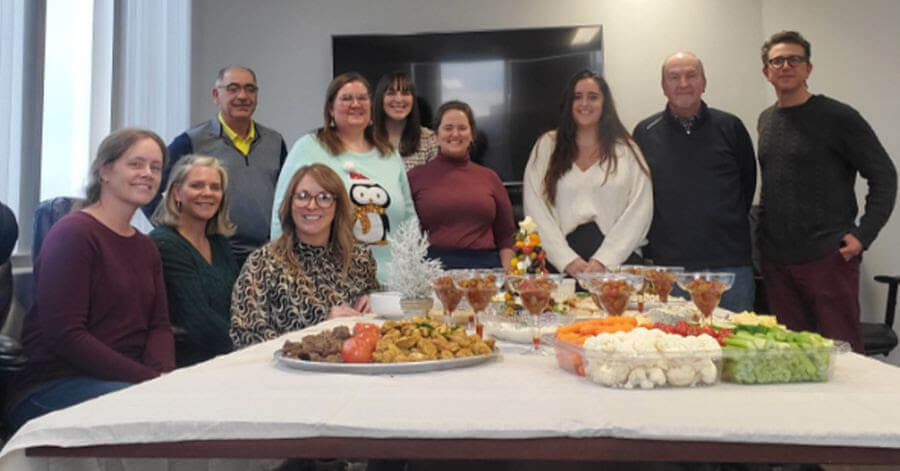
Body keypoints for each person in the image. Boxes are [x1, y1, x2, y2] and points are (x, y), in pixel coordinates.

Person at [5, 129, 175, 431]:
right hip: (54, 384)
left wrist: (163, 376)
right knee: (157, 415)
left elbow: (159, 325)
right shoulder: (74, 234)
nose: (147, 174)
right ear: (105, 171)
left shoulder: (146, 246)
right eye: (136, 164)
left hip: (126, 380)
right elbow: (65, 335)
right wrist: (148, 381)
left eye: (156, 167)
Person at [757, 31, 897, 352]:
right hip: (777, 262)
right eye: (777, 61)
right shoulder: (766, 120)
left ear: (808, 69)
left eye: (795, 59)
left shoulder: (838, 116)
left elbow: (884, 176)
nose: (786, 66)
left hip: (828, 259)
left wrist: (864, 234)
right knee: (794, 357)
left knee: (843, 357)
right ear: (767, 72)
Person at [633, 52, 757, 312]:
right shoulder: (644, 133)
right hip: (670, 269)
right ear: (663, 86)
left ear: (704, 82)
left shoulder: (730, 126)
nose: (683, 83)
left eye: (691, 75)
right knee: (670, 348)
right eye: (674, 77)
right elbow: (640, 195)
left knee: (732, 346)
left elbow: (747, 185)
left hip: (729, 265)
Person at [271, 72, 417, 285]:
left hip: (391, 282)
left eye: (363, 98)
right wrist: (281, 267)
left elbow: (409, 217)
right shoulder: (309, 147)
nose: (356, 104)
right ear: (331, 108)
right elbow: (282, 211)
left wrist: (415, 269)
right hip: (328, 281)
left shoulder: (389, 153)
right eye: (347, 98)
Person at [144, 65, 288, 267]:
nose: (242, 96)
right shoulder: (192, 141)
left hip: (268, 255)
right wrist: (173, 232)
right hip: (215, 255)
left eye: (250, 89)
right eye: (232, 88)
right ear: (215, 95)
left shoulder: (274, 142)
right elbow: (150, 184)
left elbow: (286, 196)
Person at [233, 164, 379, 348]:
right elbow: (246, 337)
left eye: (324, 198)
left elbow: (375, 316)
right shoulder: (263, 263)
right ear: (290, 203)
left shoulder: (360, 258)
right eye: (303, 196)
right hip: (289, 372)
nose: (312, 205)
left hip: (356, 366)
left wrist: (376, 302)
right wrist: (321, 327)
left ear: (338, 206)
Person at [523, 70, 652, 275]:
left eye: (593, 97)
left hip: (618, 266)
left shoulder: (627, 150)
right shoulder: (547, 146)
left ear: (605, 104)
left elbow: (640, 211)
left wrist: (604, 261)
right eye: (578, 97)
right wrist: (567, 261)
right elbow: (535, 210)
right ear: (569, 104)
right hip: (559, 268)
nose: (585, 104)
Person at [150, 155, 240, 367]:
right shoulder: (165, 244)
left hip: (227, 355)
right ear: (176, 193)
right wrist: (249, 348)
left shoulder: (219, 243)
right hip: (189, 361)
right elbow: (197, 320)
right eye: (197, 185)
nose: (207, 193)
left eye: (215, 187)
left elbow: (240, 301)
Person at [408, 100, 515, 269]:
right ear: (436, 136)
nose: (455, 134)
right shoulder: (415, 177)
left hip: (485, 274)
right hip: (432, 271)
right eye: (448, 128)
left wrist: (507, 275)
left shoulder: (490, 178)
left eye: (462, 128)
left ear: (472, 135)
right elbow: (405, 234)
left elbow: (506, 235)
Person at [373, 71, 439, 170]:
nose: (399, 99)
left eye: (405, 93)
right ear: (380, 99)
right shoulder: (365, 137)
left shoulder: (429, 139)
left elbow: (435, 179)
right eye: (391, 93)